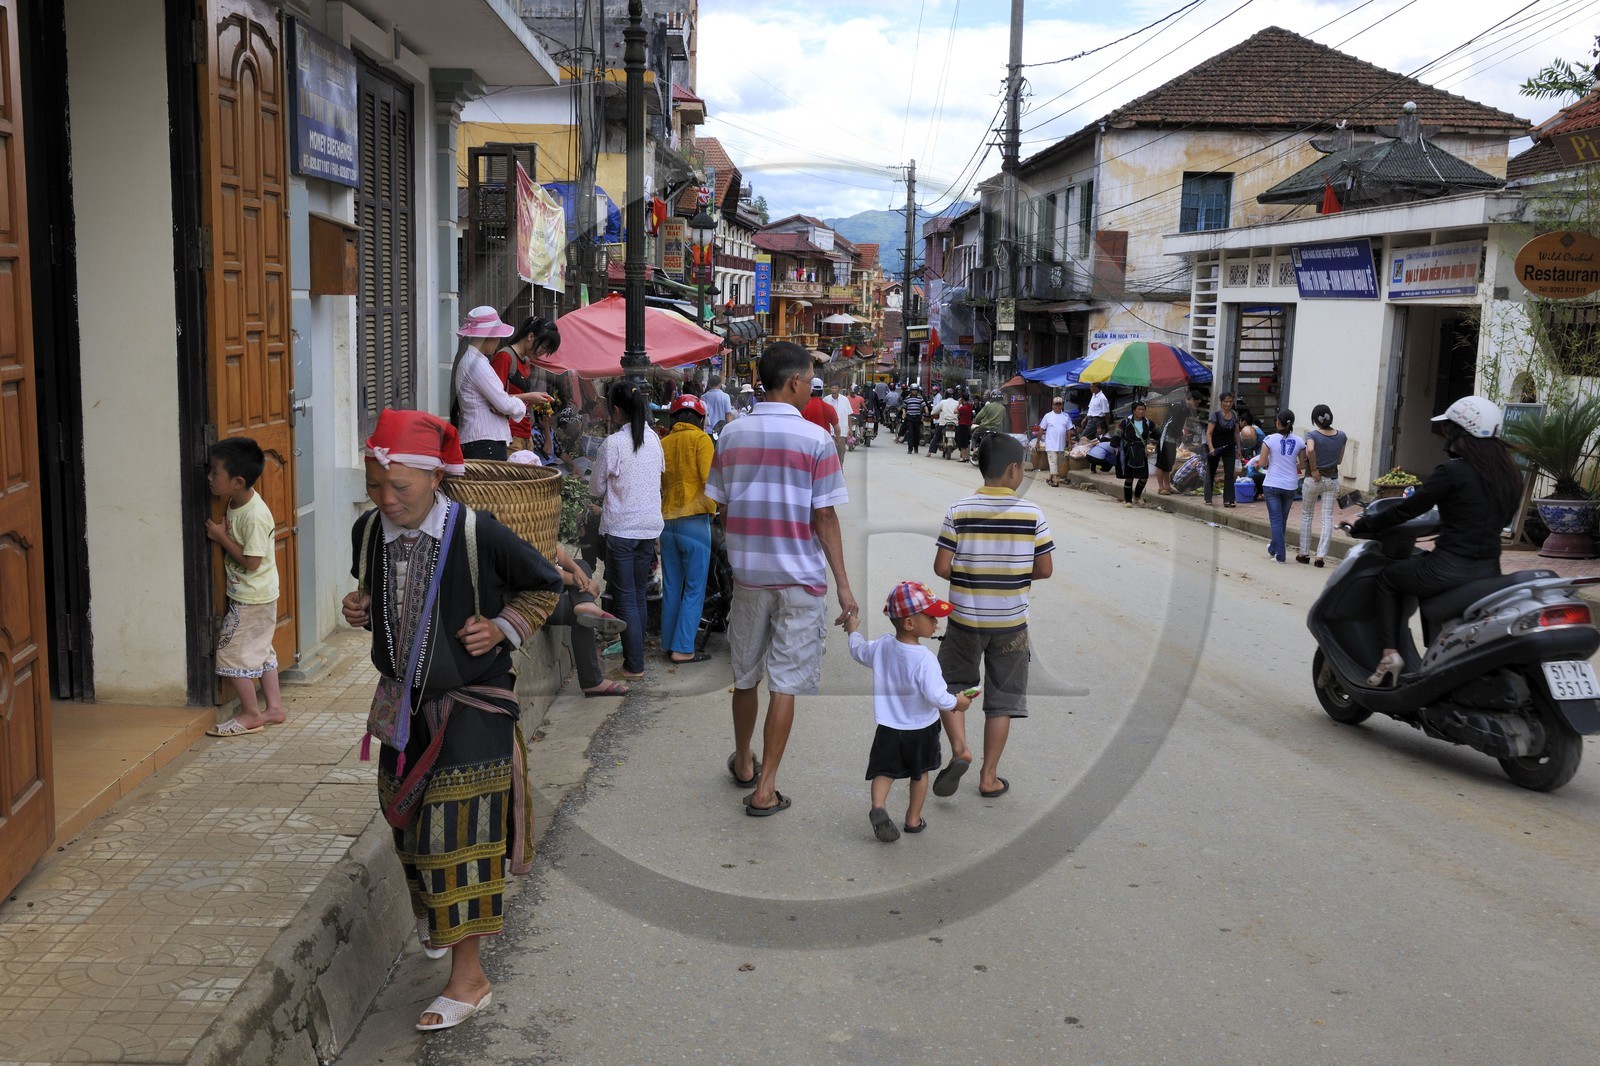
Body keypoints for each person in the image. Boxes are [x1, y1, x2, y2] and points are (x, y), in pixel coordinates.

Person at [341, 410, 564, 1032]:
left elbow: (545, 587)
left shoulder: (477, 533)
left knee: (457, 840)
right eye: (376, 486)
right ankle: (441, 921)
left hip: (473, 705)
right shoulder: (368, 532)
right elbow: (372, 593)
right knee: (406, 825)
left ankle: (470, 979)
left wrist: (502, 626)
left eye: (401, 489)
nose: (387, 500)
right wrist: (359, 607)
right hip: (402, 707)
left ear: (435, 480)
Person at [705, 341, 856, 816]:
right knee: (784, 683)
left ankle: (744, 762)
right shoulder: (816, 440)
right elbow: (825, 519)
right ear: (795, 382)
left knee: (746, 676)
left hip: (749, 578)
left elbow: (723, 506)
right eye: (811, 377)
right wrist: (845, 588)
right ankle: (765, 788)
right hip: (800, 581)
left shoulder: (730, 434)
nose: (813, 385)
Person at [1350, 396, 1521, 688]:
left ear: (1461, 433)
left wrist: (1364, 524)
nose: (1446, 438)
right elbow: (1486, 514)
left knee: (1389, 578)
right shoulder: (1510, 475)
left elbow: (1406, 510)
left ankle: (1390, 655)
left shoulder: (1452, 472)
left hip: (1449, 569)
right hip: (1490, 572)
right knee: (1421, 577)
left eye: (1449, 430)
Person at [931, 433, 1054, 799]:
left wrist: (973, 573)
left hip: (966, 620)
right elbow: (1045, 569)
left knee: (953, 685)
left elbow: (941, 566)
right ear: (1014, 469)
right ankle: (988, 776)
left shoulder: (959, 510)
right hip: (1011, 624)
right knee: (1002, 700)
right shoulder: (1032, 513)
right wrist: (1012, 573)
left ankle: (960, 749)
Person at [845, 581, 972, 842]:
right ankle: (913, 820)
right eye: (931, 617)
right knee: (919, 774)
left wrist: (852, 630)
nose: (937, 623)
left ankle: (878, 807)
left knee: (884, 771)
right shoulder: (925, 659)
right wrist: (957, 703)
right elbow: (937, 696)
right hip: (921, 729)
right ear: (910, 624)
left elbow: (858, 651)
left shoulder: (881, 647)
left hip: (889, 728)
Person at [203, 437, 284, 737]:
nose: (209, 477)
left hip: (252, 598)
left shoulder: (255, 516)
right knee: (261, 650)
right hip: (258, 595)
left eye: (215, 472)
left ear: (237, 482)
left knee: (233, 653)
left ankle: (251, 713)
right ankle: (273, 708)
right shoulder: (237, 501)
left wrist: (220, 537)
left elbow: (251, 562)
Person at [589, 380, 665, 680]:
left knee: (627, 599)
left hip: (622, 531)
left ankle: (634, 666)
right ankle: (636, 661)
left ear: (617, 410)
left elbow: (596, 488)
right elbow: (656, 477)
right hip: (647, 530)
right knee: (637, 596)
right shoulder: (655, 440)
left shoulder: (613, 444)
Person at [451, 306, 551, 460]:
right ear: (488, 336)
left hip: (482, 439)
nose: (498, 341)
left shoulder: (473, 360)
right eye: (497, 336)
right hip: (484, 441)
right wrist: (520, 406)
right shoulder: (477, 364)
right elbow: (503, 404)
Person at [660, 393, 716, 665]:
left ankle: (669, 642)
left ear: (673, 418)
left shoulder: (664, 442)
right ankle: (683, 648)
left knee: (671, 585)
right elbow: (710, 478)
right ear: (701, 419)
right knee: (694, 588)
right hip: (694, 522)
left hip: (667, 522)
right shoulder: (701, 440)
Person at [545, 544, 630, 695]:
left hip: (544, 586)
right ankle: (592, 682)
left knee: (580, 564)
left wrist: (578, 572)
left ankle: (585, 603)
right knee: (581, 617)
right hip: (527, 602)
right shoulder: (512, 526)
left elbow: (555, 550)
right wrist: (579, 581)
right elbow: (537, 569)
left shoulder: (537, 526)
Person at [492, 316, 561, 456]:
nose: (543, 353)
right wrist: (530, 396)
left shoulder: (526, 361)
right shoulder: (505, 357)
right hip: (509, 434)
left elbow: (519, 398)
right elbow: (494, 400)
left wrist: (537, 400)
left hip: (525, 433)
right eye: (543, 347)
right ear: (530, 336)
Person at [1298, 404, 1349, 566]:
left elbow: (1311, 450)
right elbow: (1339, 460)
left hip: (1313, 480)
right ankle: (1320, 556)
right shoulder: (1341, 436)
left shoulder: (1311, 435)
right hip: (1332, 480)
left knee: (1307, 515)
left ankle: (1304, 554)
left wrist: (1313, 469)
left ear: (1315, 420)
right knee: (1327, 517)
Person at [1258, 410, 1305, 564]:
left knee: (1276, 520)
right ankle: (1273, 548)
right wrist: (1292, 464)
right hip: (1290, 485)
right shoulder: (1299, 441)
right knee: (1282, 519)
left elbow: (1262, 463)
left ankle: (1281, 555)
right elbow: (1303, 464)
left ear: (1278, 422)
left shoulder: (1269, 439)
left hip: (1272, 484)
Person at [1154, 391, 1196, 495]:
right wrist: (1181, 436)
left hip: (1172, 439)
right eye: (1196, 402)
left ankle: (1167, 486)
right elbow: (1173, 425)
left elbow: (1182, 424)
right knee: (1161, 464)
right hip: (1166, 437)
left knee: (1168, 464)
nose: (1196, 405)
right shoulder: (1178, 407)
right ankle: (1161, 487)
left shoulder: (1185, 408)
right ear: (1191, 399)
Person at [1117, 400, 1157, 506]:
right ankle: (1128, 500)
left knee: (1143, 477)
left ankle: (1137, 497)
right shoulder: (1125, 422)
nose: (1141, 411)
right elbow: (1117, 435)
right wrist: (1118, 449)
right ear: (1133, 410)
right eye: (1138, 409)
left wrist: (1158, 444)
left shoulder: (1148, 423)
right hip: (1129, 452)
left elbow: (1158, 433)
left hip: (1141, 452)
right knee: (1129, 477)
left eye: (1143, 409)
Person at [1204, 391, 1239, 508]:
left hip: (1229, 447)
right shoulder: (1215, 415)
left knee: (1229, 474)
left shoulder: (1234, 415)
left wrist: (1238, 448)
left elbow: (1236, 434)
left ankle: (1228, 499)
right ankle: (1208, 497)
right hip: (1216, 447)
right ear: (1221, 402)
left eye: (1230, 401)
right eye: (1226, 401)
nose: (1228, 404)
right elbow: (1208, 433)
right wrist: (1211, 447)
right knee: (1211, 472)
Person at [1038, 395, 1073, 487]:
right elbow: (1042, 429)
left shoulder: (1066, 416)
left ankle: (1050, 477)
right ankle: (1055, 481)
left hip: (1061, 444)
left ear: (1062, 405)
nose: (1058, 406)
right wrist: (1038, 442)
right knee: (1053, 461)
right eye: (1056, 404)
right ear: (1052, 405)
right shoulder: (1048, 416)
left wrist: (1069, 443)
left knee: (1058, 462)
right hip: (1051, 444)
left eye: (1059, 404)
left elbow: (1068, 430)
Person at [824, 382, 854, 461]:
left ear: (839, 389)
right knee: (829, 454)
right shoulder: (825, 400)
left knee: (841, 452)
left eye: (835, 388)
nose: (834, 390)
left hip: (842, 431)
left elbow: (849, 415)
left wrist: (850, 429)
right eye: (832, 388)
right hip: (828, 431)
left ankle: (840, 470)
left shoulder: (845, 400)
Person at [930, 388, 960, 456]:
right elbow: (961, 412)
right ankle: (963, 454)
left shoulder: (942, 402)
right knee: (960, 438)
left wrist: (937, 412)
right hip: (955, 424)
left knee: (937, 436)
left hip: (944, 423)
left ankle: (930, 452)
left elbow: (933, 412)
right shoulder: (957, 403)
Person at [901, 385, 926, 453]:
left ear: (917, 391)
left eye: (915, 390)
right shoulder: (907, 398)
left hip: (917, 418)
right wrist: (904, 413)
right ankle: (910, 449)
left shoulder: (920, 398)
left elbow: (924, 406)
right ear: (911, 391)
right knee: (910, 433)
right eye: (913, 390)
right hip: (909, 418)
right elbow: (904, 407)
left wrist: (926, 411)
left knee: (916, 434)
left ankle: (916, 447)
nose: (914, 391)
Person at [955, 389, 976, 462]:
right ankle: (966, 457)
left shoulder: (963, 407)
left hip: (962, 426)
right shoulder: (970, 406)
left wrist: (958, 403)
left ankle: (964, 457)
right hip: (968, 426)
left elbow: (955, 411)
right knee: (966, 442)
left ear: (962, 399)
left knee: (962, 442)